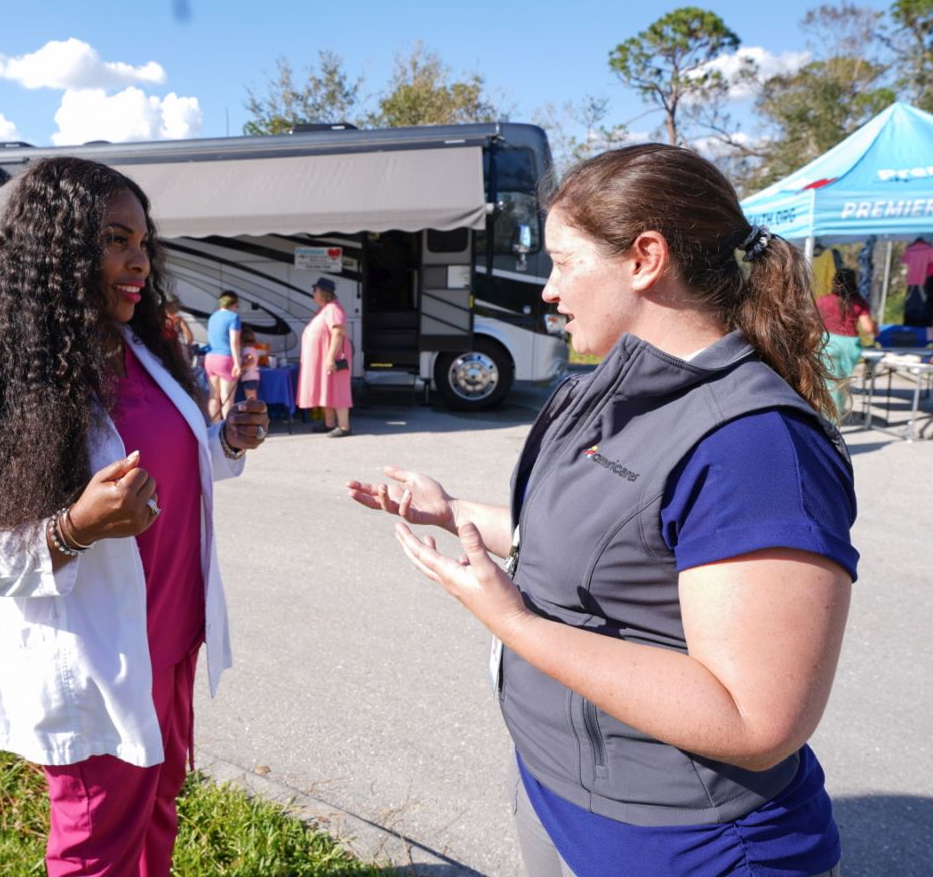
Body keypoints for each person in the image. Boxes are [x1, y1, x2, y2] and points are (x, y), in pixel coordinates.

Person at [347, 144, 856, 877]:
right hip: (558, 795)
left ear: (646, 258)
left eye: (563, 261)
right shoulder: (601, 389)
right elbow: (593, 548)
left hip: (685, 844)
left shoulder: (755, 446)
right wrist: (451, 509)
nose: (546, 291)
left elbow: (756, 720)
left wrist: (513, 622)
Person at [0, 157, 269, 877]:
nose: (139, 262)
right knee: (95, 851)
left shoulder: (149, 351)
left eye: (144, 243)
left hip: (174, 643)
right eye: (117, 240)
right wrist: (71, 529)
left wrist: (226, 441)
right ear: (57, 251)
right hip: (96, 657)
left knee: (158, 810)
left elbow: (167, 470)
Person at [816, 267, 877, 418]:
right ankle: (837, 413)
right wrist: (876, 329)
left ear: (835, 283)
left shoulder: (823, 301)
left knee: (828, 383)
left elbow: (810, 322)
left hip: (827, 341)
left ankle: (829, 418)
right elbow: (868, 328)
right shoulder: (859, 303)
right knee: (842, 383)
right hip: (849, 345)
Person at [296, 276, 353, 437]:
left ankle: (344, 426)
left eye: (315, 290)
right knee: (327, 390)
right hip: (324, 359)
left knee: (338, 390)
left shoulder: (334, 309)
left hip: (334, 359)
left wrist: (330, 357)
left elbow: (338, 332)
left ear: (324, 293)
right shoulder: (325, 309)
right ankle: (329, 423)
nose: (313, 293)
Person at [204, 290, 243, 422]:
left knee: (213, 396)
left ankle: (215, 426)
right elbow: (234, 341)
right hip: (226, 359)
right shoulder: (233, 317)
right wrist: (237, 363)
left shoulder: (212, 317)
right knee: (227, 398)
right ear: (234, 304)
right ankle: (228, 428)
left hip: (210, 358)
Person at [163, 294, 196, 366]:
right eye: (177, 304)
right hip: (177, 350)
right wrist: (189, 348)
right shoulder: (178, 319)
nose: (178, 306)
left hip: (164, 351)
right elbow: (189, 336)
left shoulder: (160, 319)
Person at [239, 327, 261, 403]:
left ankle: (251, 412)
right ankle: (254, 411)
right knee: (253, 397)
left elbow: (251, 360)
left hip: (249, 378)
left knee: (250, 398)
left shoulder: (246, 350)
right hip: (254, 377)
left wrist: (241, 368)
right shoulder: (253, 349)